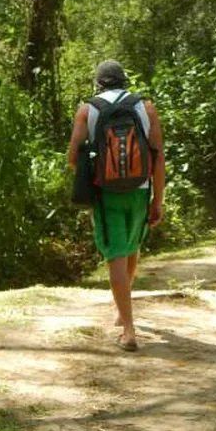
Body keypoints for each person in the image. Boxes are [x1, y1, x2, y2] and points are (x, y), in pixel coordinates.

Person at [67, 60, 165, 352]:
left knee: (116, 256)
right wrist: (158, 200)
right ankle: (123, 312)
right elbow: (158, 158)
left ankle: (129, 330)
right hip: (140, 190)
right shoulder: (145, 108)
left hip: (106, 193)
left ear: (98, 83)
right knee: (131, 248)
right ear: (124, 81)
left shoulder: (88, 110)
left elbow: (73, 156)